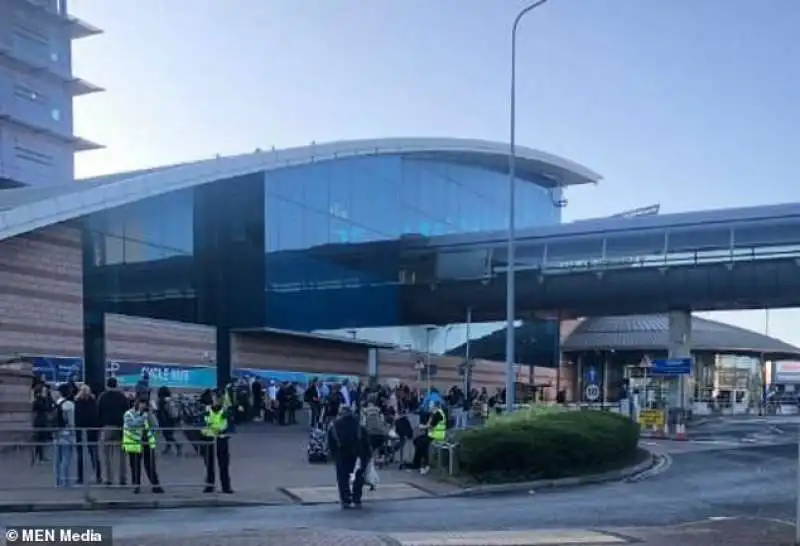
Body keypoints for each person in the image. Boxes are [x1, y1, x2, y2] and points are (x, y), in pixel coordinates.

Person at [327, 406, 371, 509]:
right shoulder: (359, 426)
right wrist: (368, 456)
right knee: (358, 477)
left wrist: (333, 454)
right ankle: (356, 498)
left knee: (342, 478)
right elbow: (366, 442)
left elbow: (330, 443)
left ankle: (345, 499)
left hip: (341, 455)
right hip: (358, 455)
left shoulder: (334, 426)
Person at [122, 397, 164, 494]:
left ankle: (155, 485)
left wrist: (150, 414)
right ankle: (136, 486)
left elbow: (155, 425)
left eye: (145, 404)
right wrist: (143, 416)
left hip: (147, 442)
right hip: (134, 443)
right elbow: (133, 424)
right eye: (142, 403)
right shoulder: (129, 414)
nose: (144, 406)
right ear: (137, 403)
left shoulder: (147, 414)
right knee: (135, 466)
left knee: (150, 465)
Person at [97, 377, 130, 486]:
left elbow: (99, 411)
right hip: (121, 428)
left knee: (107, 455)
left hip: (107, 427)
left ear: (107, 385)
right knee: (122, 455)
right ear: (116, 385)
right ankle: (122, 478)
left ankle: (109, 478)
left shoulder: (103, 397)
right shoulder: (122, 397)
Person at [201, 391, 233, 494]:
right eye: (213, 398)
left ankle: (226, 487)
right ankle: (209, 486)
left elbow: (225, 424)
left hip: (221, 439)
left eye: (217, 398)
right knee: (209, 464)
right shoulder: (208, 409)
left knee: (223, 465)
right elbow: (205, 421)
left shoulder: (224, 410)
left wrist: (216, 429)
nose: (215, 400)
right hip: (209, 440)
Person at [411, 400, 446, 475]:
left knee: (421, 444)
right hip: (432, 435)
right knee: (418, 441)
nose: (428, 407)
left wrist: (421, 426)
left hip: (436, 436)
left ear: (434, 406)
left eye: (430, 406)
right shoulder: (435, 413)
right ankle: (418, 464)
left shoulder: (437, 413)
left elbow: (430, 425)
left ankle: (425, 465)